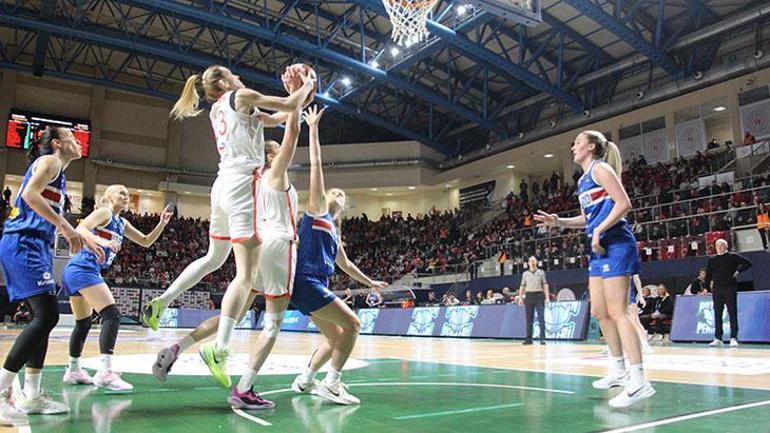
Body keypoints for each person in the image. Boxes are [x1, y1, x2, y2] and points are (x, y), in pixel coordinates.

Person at [143, 64, 315, 385]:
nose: (240, 76)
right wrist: (308, 83)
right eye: (233, 74)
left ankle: (163, 302)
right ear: (224, 81)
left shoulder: (218, 109)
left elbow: (281, 117)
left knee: (214, 258)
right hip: (242, 187)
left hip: (220, 184)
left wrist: (298, 101)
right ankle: (219, 349)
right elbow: (290, 108)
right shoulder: (241, 96)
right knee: (245, 277)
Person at [535, 130, 654, 408]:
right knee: (600, 312)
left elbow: (624, 204)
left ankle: (639, 381)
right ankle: (618, 369)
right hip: (599, 248)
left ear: (590, 147)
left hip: (616, 244)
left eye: (577, 142)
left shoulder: (601, 169)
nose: (573, 147)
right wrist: (559, 221)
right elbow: (586, 218)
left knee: (618, 312)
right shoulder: (583, 181)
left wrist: (599, 229)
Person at [0, 127, 103, 425]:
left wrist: (82, 236)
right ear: (57, 143)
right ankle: (4, 390)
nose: (78, 140)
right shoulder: (52, 161)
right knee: (46, 316)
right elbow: (31, 195)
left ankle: (31, 394)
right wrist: (67, 228)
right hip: (23, 242)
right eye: (72, 136)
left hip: (33, 245)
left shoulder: (59, 172)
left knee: (43, 318)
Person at [288, 106, 388, 405]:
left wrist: (370, 281)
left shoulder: (335, 230)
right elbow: (317, 164)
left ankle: (305, 380)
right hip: (306, 281)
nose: (336, 194)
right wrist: (314, 129)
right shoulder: (316, 211)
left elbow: (345, 264)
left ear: (344, 206)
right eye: (333, 192)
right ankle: (332, 384)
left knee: (334, 338)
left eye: (341, 194)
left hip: (312, 285)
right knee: (353, 325)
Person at [61, 185, 172, 391]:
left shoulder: (122, 223)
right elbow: (80, 229)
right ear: (108, 197)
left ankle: (73, 369)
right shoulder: (104, 213)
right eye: (121, 193)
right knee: (112, 315)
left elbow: (146, 241)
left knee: (83, 323)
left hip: (78, 271)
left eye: (128, 195)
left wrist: (161, 225)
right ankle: (105, 372)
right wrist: (102, 241)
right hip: (83, 268)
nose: (126, 196)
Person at [705, 239, 752, 347]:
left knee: (732, 313)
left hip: (730, 288)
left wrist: (738, 271)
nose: (719, 247)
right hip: (717, 290)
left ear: (726, 247)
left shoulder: (733, 256)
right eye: (717, 246)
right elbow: (708, 274)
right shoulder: (712, 259)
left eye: (722, 245)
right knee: (717, 314)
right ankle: (718, 338)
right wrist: (706, 288)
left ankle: (733, 338)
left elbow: (748, 263)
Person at [518, 256, 549, 345]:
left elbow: (545, 285)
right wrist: (520, 297)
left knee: (541, 318)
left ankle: (542, 338)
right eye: (530, 261)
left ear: (536, 262)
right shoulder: (525, 274)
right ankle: (528, 339)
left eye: (534, 261)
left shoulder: (541, 273)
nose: (532, 262)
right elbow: (522, 286)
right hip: (529, 296)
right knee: (529, 319)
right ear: (528, 263)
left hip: (539, 295)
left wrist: (547, 297)